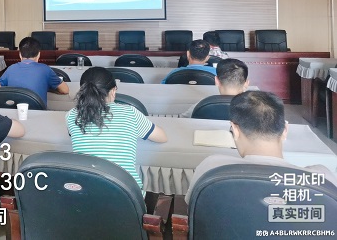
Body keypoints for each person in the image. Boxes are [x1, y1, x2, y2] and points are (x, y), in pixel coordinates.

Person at [185, 91, 337, 204]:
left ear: (235, 130)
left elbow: (191, 207)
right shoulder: (323, 178)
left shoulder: (211, 167)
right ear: (285, 130)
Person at [66, 67, 167, 192]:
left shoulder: (71, 115)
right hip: (126, 194)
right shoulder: (130, 113)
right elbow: (162, 137)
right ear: (113, 91)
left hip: (86, 192)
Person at [0, 36, 69, 107]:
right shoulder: (45, 69)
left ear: (20, 54)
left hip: (15, 111)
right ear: (39, 54)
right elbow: (65, 90)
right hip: (39, 112)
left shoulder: (11, 69)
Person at [181, 58, 249, 117]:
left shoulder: (201, 105)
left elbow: (181, 119)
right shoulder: (254, 109)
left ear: (216, 81)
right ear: (246, 83)